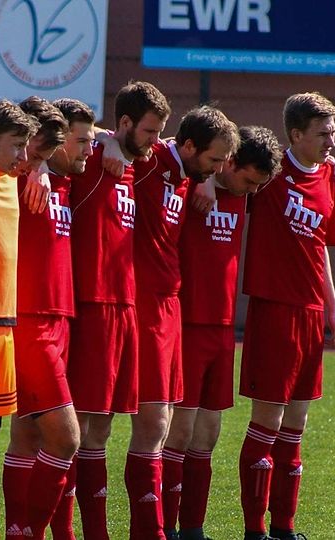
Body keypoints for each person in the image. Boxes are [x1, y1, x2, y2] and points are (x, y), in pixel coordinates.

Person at [161, 126, 282, 540]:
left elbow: (295, 174)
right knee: (178, 430)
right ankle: (165, 528)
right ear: (228, 162)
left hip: (223, 328)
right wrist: (206, 180)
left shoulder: (241, 193)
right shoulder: (192, 185)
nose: (253, 190)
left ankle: (193, 528)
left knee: (208, 433)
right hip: (187, 325)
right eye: (249, 180)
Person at [237, 93, 335, 540]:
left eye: (333, 132)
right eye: (323, 133)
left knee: (296, 426)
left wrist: (333, 307)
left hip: (310, 313)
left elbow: (320, 245)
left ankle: (284, 529)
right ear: (296, 134)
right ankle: (254, 531)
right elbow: (224, 169)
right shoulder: (268, 172)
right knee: (267, 422)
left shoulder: (329, 177)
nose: (331, 142)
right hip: (273, 309)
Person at [123, 105, 238, 540]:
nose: (219, 169)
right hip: (144, 305)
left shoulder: (188, 171)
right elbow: (112, 139)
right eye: (213, 161)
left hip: (172, 305)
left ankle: (162, 530)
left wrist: (206, 176)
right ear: (188, 146)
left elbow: (231, 164)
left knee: (166, 424)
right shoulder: (149, 161)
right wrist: (104, 141)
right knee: (152, 425)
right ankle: (150, 530)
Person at [66, 81, 169, 540]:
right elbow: (53, 136)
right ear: (124, 124)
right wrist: (104, 138)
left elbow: (191, 149)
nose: (154, 140)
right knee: (80, 430)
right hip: (92, 305)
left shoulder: (138, 162)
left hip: (124, 307)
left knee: (102, 430)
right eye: (147, 130)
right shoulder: (92, 160)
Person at [0, 96, 85, 540]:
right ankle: (30, 531)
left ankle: (20, 530)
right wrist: (35, 167)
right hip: (28, 319)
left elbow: (117, 139)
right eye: (78, 140)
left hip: (58, 316)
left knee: (29, 439)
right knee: (66, 439)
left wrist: (47, 167)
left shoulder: (61, 178)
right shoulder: (9, 179)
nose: (86, 147)